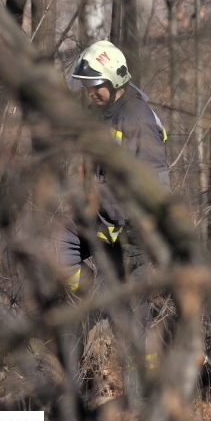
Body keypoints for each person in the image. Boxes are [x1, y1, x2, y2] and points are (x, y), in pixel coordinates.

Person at [53, 40, 170, 399]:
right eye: (87, 87)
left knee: (135, 317)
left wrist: (143, 236)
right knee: (56, 246)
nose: (91, 93)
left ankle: (144, 393)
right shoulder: (103, 112)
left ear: (116, 80)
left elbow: (156, 184)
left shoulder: (137, 118)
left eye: (96, 85)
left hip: (132, 229)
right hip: (98, 220)